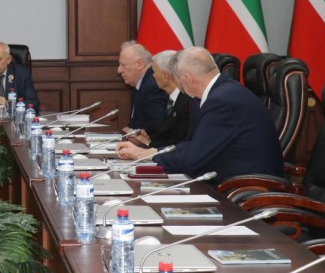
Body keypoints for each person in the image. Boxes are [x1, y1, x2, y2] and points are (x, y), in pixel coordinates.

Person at [115, 47, 284, 184]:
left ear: (188, 79)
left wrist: (145, 155)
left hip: (247, 189)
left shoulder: (221, 101)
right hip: (228, 179)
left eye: (177, 78)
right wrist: (150, 151)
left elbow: (192, 158)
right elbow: (192, 146)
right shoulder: (220, 92)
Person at [130, 50, 191, 147]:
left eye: (154, 72)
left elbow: (180, 141)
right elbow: (164, 128)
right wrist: (147, 137)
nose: (153, 76)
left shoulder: (187, 101)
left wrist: (149, 144)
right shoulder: (171, 97)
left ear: (165, 76)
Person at [118, 41, 168, 133]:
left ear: (140, 64)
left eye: (123, 65)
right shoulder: (142, 83)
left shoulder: (152, 86)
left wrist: (135, 133)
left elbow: (157, 125)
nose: (119, 70)